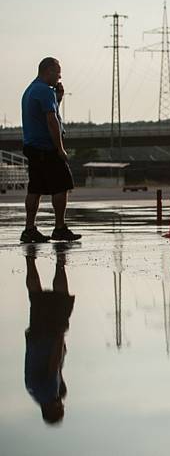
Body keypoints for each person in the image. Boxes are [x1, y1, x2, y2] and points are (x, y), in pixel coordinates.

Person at [20, 57, 81, 243]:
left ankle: (29, 229)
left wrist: (58, 99)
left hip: (32, 147)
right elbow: (51, 121)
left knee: (35, 189)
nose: (60, 76)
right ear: (48, 71)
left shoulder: (31, 90)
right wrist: (60, 149)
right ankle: (60, 228)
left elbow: (47, 113)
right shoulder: (45, 91)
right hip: (47, 148)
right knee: (61, 186)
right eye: (57, 71)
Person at [24, 244, 76, 425]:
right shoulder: (34, 392)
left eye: (60, 409)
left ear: (52, 410)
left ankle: (60, 261)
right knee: (35, 297)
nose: (62, 405)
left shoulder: (48, 393)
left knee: (60, 299)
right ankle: (30, 261)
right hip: (36, 337)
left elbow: (53, 365)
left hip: (48, 336)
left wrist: (60, 336)